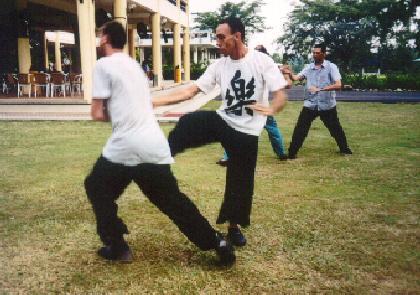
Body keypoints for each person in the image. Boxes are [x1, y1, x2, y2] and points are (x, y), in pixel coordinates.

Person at [84, 21, 235, 266]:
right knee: (172, 201)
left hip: (126, 145)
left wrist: (118, 113)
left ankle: (117, 244)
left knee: (96, 186)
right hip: (153, 143)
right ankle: (217, 242)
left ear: (104, 38)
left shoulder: (103, 65)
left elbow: (97, 113)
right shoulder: (134, 66)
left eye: (100, 35)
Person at [153, 17, 288, 247]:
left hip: (247, 132)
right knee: (192, 121)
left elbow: (281, 93)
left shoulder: (262, 61)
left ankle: (233, 228)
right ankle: (161, 158)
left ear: (237, 37)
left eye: (221, 37)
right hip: (224, 121)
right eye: (216, 36)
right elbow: (190, 92)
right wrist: (153, 101)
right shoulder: (219, 65)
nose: (217, 42)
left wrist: (272, 108)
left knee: (240, 182)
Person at [216, 45, 289, 166]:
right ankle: (227, 157)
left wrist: (284, 71)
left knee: (272, 131)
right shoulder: (247, 66)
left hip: (261, 108)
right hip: (245, 106)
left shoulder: (266, 65)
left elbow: (280, 79)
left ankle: (281, 153)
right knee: (235, 129)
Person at [282, 43, 352, 159]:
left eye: (317, 53)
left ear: (324, 54)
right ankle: (291, 153)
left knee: (335, 129)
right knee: (300, 129)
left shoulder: (331, 67)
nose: (314, 55)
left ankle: (345, 149)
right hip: (311, 104)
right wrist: (289, 73)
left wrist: (319, 89)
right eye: (313, 53)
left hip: (327, 105)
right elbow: (296, 78)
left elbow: (338, 85)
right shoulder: (308, 67)